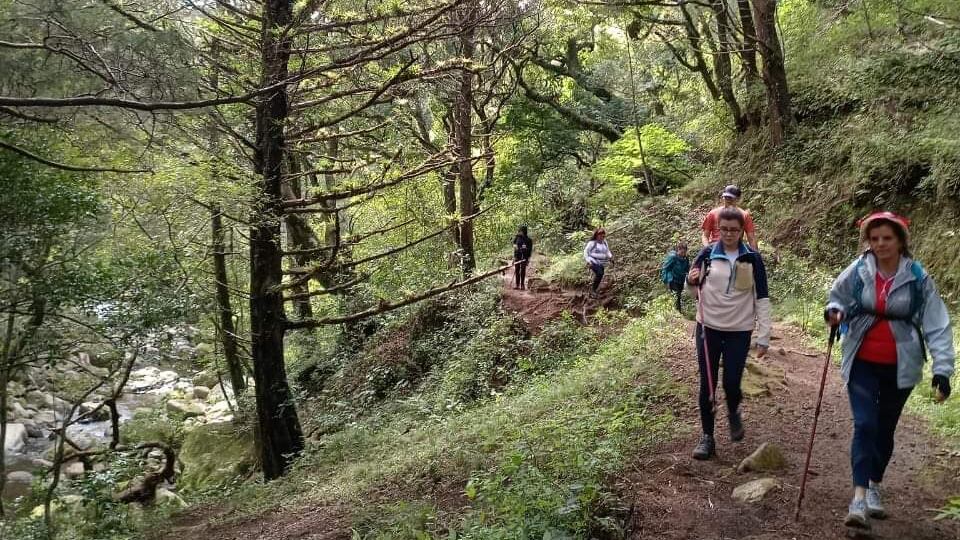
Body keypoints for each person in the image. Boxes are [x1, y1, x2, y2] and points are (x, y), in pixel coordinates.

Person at [824, 211, 954, 530]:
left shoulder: (918, 277)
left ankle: (874, 484)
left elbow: (937, 323)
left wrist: (942, 370)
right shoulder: (858, 270)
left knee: (885, 428)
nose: (880, 244)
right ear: (868, 242)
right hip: (862, 360)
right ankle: (858, 498)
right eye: (875, 238)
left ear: (900, 241)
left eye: (887, 238)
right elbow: (837, 298)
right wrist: (834, 313)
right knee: (865, 425)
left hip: (902, 364)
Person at [685, 207, 771, 460]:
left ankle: (733, 410)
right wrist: (691, 281)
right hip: (708, 328)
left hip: (739, 330)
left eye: (734, 230)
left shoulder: (753, 259)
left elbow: (762, 297)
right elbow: (693, 293)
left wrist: (764, 335)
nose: (729, 234)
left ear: (742, 230)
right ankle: (708, 437)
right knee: (707, 385)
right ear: (717, 229)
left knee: (731, 383)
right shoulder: (707, 254)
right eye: (724, 229)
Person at [701, 185, 758, 251]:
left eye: (731, 197)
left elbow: (751, 238)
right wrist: (708, 249)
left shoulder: (744, 215)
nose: (728, 199)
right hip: (715, 249)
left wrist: (756, 256)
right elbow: (705, 235)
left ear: (737, 199)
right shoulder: (713, 213)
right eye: (726, 197)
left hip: (735, 250)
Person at [584, 227, 614, 299]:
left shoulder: (604, 242)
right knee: (600, 273)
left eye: (603, 236)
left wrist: (610, 257)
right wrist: (588, 261)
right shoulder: (592, 243)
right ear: (597, 235)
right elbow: (586, 252)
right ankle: (593, 291)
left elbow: (607, 251)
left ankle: (594, 289)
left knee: (600, 274)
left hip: (601, 262)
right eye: (600, 236)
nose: (602, 237)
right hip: (592, 261)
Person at [661, 243, 690, 312]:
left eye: (684, 252)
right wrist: (666, 280)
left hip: (680, 279)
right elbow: (665, 268)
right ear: (678, 250)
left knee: (679, 296)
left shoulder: (686, 258)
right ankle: (678, 313)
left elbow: (687, 268)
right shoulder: (672, 257)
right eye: (682, 252)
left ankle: (675, 311)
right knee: (676, 295)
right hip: (672, 279)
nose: (683, 254)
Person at [512, 225, 533, 290]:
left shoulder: (529, 239)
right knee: (517, 270)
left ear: (523, 231)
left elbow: (530, 249)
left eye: (520, 230)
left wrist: (528, 258)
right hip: (517, 256)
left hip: (525, 257)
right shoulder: (517, 238)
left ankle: (522, 285)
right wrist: (514, 255)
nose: (519, 232)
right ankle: (517, 285)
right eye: (519, 230)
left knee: (523, 270)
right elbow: (514, 245)